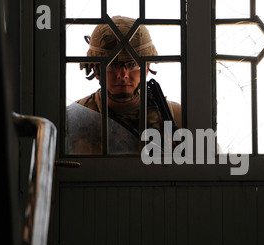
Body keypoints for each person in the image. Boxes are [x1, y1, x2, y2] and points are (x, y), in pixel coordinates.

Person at [66, 15, 182, 154]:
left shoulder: (176, 117)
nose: (123, 74)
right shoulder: (72, 119)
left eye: (132, 64)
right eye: (112, 65)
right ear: (96, 69)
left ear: (146, 68)